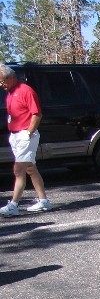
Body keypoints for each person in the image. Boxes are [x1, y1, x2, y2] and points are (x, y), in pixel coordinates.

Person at [0, 64, 52, 218]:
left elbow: (37, 114)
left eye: (2, 81)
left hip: (25, 135)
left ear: (10, 78)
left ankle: (14, 205)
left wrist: (28, 133)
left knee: (19, 170)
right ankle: (44, 201)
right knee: (30, 168)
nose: (1, 84)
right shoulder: (10, 92)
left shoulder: (26, 91)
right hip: (15, 135)